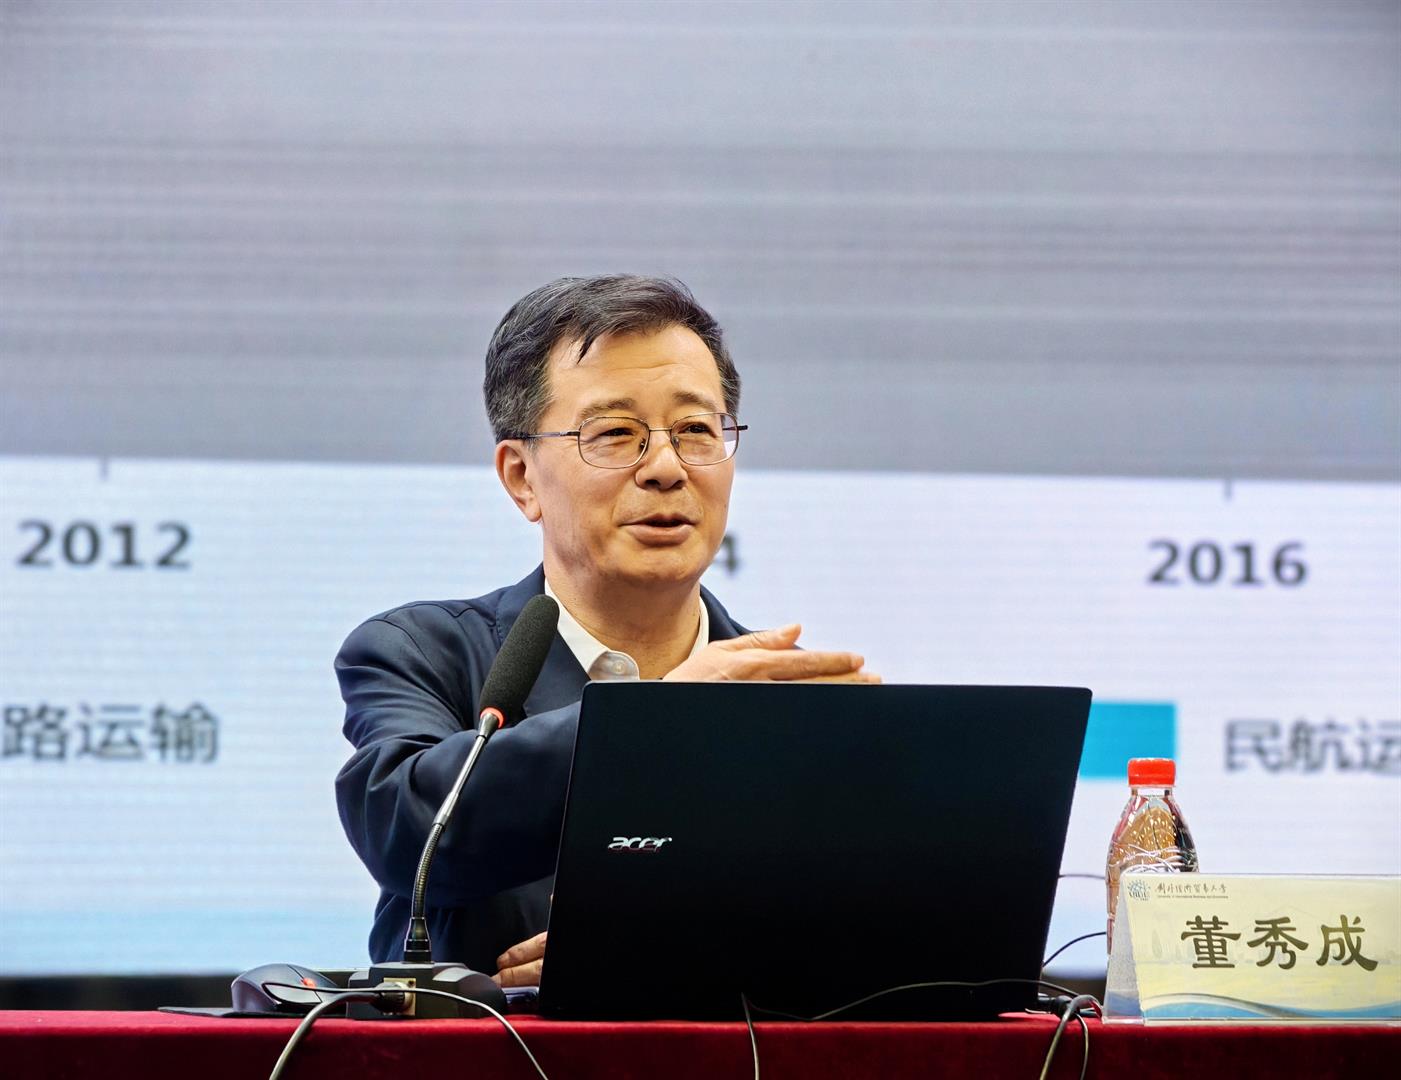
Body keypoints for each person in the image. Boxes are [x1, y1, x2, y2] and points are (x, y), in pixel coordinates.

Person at [334, 275, 877, 988]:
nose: (666, 468)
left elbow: (870, 941)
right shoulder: (422, 652)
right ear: (521, 477)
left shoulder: (791, 699)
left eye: (696, 431)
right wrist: (656, 722)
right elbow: (407, 837)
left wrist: (680, 950)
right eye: (616, 434)